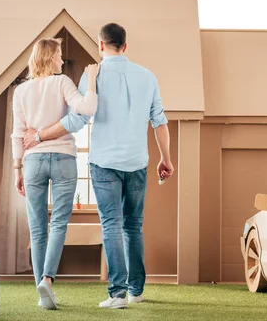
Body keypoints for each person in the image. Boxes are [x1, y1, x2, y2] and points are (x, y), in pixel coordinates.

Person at [23, 23, 174, 309]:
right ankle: (136, 290)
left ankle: (117, 294)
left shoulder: (94, 76)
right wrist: (166, 159)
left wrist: (40, 134)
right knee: (134, 226)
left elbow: (77, 120)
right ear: (125, 46)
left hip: (104, 163)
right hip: (138, 162)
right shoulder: (148, 77)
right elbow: (160, 122)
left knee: (112, 226)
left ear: (101, 45)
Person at [11, 37, 100, 310]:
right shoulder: (62, 82)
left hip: (33, 161)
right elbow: (88, 108)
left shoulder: (21, 91)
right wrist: (92, 78)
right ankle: (47, 280)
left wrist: (18, 168)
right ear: (50, 58)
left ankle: (43, 296)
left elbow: (17, 132)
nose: (62, 60)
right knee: (59, 224)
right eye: (59, 55)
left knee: (38, 229)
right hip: (63, 157)